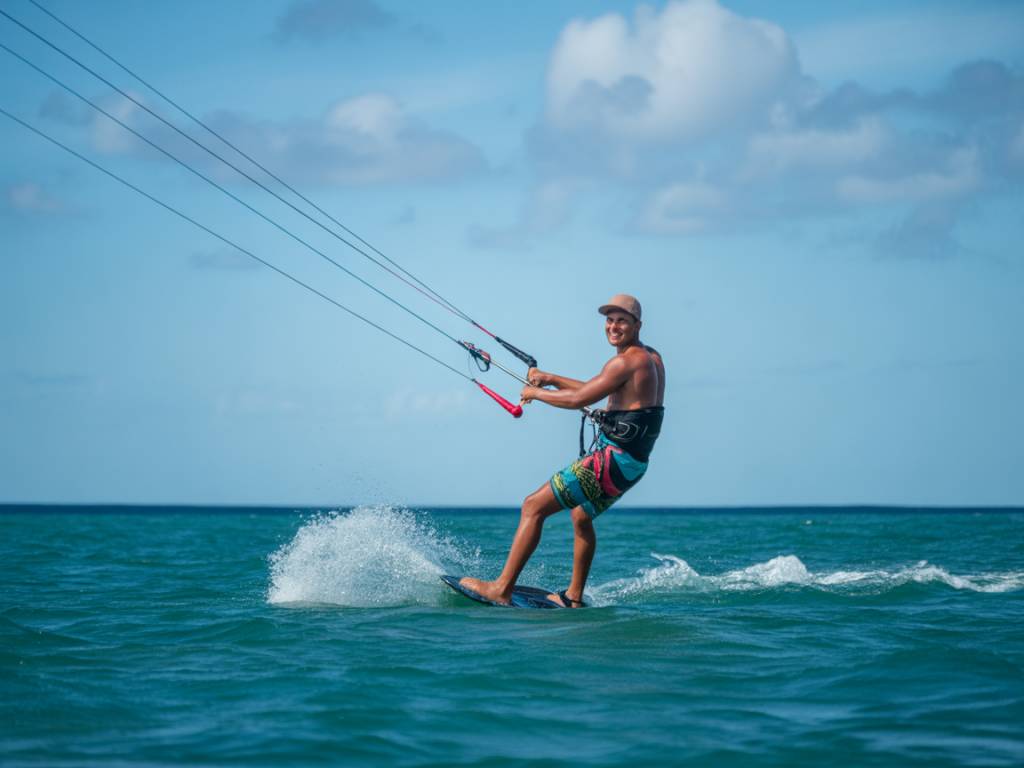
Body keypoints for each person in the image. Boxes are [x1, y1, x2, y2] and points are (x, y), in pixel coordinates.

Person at [460, 294, 665, 607]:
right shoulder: (651, 357)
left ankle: (500, 589)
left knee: (532, 506)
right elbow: (594, 389)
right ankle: (574, 596)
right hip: (633, 465)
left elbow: (578, 400)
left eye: (622, 320)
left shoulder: (625, 361)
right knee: (581, 516)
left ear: (638, 324)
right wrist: (550, 378)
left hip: (611, 462)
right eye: (609, 319)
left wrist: (536, 393)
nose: (613, 326)